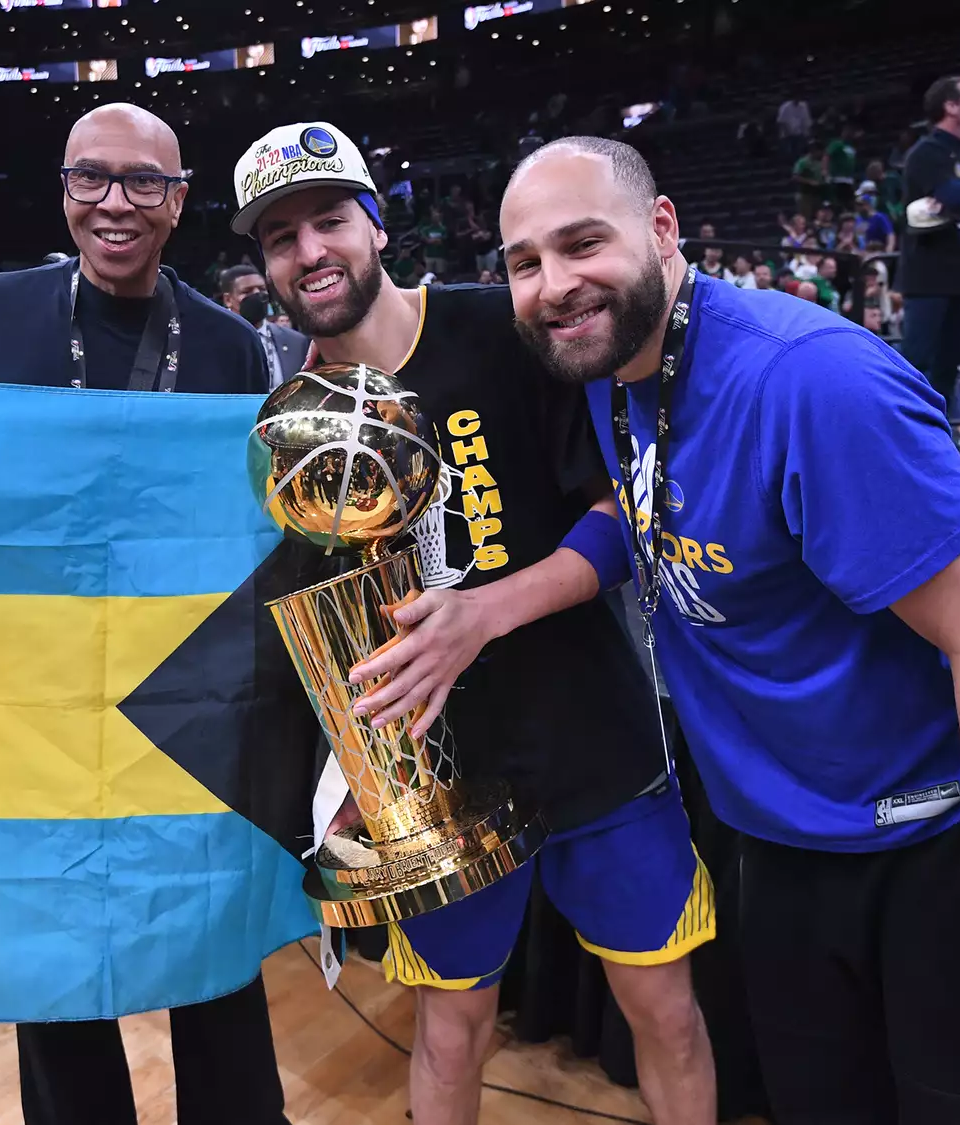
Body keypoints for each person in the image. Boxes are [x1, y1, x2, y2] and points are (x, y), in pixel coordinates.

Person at [496, 135, 960, 1125]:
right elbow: (654, 510)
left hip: (946, 836)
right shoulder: (610, 365)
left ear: (663, 230)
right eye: (524, 263)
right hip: (790, 835)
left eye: (583, 243)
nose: (554, 284)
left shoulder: (811, 383)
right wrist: (495, 605)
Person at [230, 120, 716, 1125]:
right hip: (434, 789)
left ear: (375, 227)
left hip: (596, 745)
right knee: (450, 1032)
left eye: (329, 220)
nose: (310, 250)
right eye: (281, 237)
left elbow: (627, 518)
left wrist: (480, 616)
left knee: (662, 1012)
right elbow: (323, 620)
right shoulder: (284, 424)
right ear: (264, 266)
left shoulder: (504, 326)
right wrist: (344, 777)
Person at [0, 103, 284, 1125]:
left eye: (143, 183)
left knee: (213, 952)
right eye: (92, 179)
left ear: (179, 198)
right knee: (55, 968)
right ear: (63, 189)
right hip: (30, 713)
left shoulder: (230, 350)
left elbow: (257, 537)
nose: (116, 203)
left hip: (187, 714)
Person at [901, 75, 960, 428]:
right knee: (917, 358)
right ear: (951, 106)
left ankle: (937, 434)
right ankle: (898, 428)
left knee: (950, 362)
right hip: (928, 270)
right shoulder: (926, 152)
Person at [218, 263, 309, 387]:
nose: (257, 295)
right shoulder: (212, 340)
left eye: (261, 289)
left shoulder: (296, 341)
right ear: (228, 300)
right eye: (247, 291)